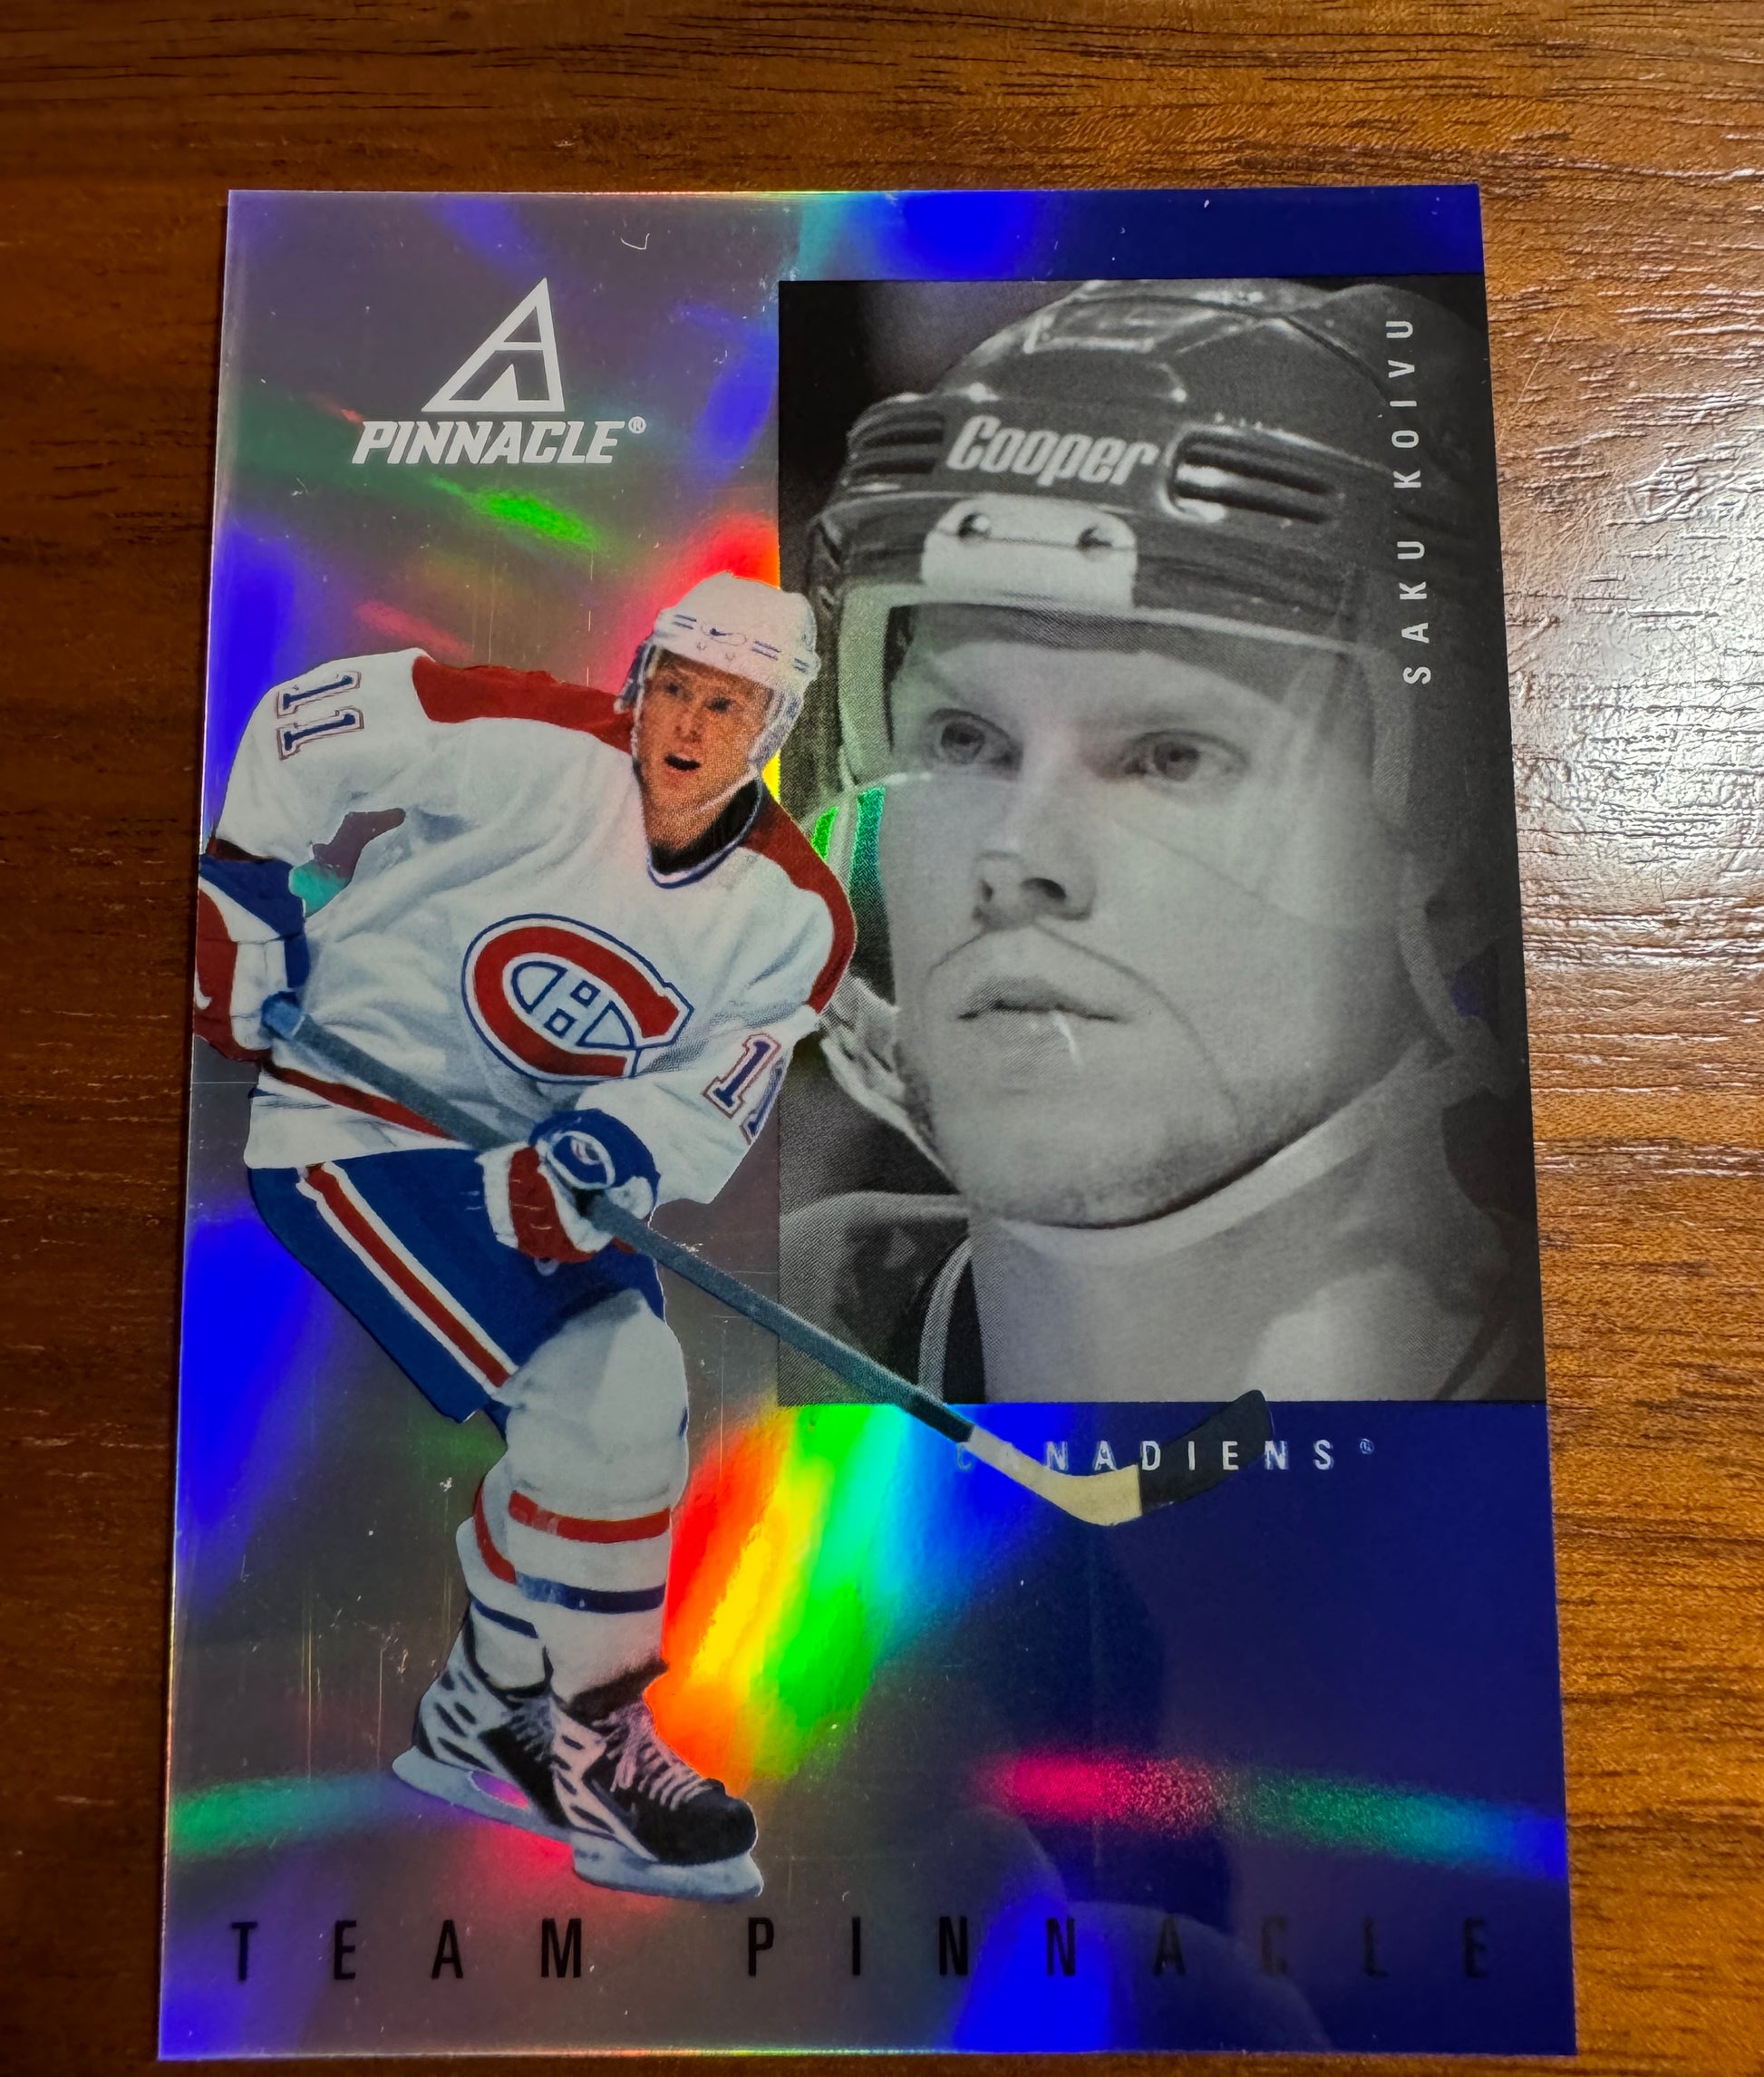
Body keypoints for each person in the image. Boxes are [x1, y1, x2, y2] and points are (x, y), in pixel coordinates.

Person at [193, 573, 853, 1899]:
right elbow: (308, 722)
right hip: (353, 1118)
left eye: (726, 705)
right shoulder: (532, 739)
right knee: (607, 1394)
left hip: (527, 1158)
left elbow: (714, 1089)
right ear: (639, 681)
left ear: (773, 726)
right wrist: (243, 883)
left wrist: (615, 1151)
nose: (686, 724)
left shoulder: (795, 916)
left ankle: (488, 1712)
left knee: (617, 1416)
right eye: (673, 686)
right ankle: (596, 1745)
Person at [781, 279, 1544, 1405]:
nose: (1015, 856)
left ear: (1454, 861)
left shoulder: (1640, 1405)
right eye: (962, 740)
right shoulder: (711, 1335)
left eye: (1170, 758)